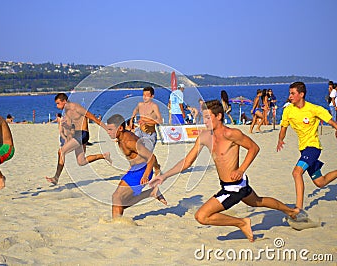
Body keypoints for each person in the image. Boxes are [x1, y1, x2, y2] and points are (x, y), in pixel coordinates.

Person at [149, 100, 299, 242]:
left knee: (202, 216)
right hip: (227, 184)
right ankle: (290, 211)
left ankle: (242, 223)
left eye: (208, 118)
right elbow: (187, 162)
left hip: (235, 186)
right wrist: (164, 176)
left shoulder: (232, 134)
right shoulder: (204, 136)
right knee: (257, 202)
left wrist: (241, 169)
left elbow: (254, 148)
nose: (204, 121)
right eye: (204, 117)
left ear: (219, 116)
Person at [277, 81, 337, 214]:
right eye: (289, 93)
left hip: (313, 147)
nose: (290, 96)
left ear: (301, 94)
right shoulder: (288, 110)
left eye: (293, 93)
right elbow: (283, 127)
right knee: (320, 182)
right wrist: (280, 139)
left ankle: (298, 209)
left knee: (296, 172)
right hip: (304, 149)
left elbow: (332, 121)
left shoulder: (314, 109)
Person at [106, 114, 167, 218]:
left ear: (120, 128)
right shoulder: (121, 137)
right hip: (135, 170)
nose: (108, 132)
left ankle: (116, 225)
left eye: (111, 129)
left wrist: (147, 175)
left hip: (142, 170)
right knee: (120, 202)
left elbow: (151, 157)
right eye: (108, 129)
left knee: (116, 197)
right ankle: (151, 193)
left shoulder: (129, 141)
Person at [45, 93, 111, 185]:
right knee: (81, 161)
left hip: (83, 134)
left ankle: (56, 178)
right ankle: (104, 156)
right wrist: (65, 126)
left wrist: (106, 129)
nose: (57, 106)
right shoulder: (67, 112)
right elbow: (70, 128)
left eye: (58, 103)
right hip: (76, 135)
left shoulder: (76, 107)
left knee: (61, 151)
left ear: (64, 101)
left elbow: (93, 118)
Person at [129, 86, 162, 152]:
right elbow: (135, 110)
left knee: (147, 155)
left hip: (149, 134)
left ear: (152, 96)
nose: (145, 97)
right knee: (135, 152)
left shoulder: (154, 106)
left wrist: (147, 122)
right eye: (144, 95)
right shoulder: (140, 104)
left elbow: (160, 121)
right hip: (139, 132)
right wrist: (131, 119)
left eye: (147, 95)